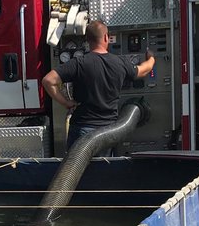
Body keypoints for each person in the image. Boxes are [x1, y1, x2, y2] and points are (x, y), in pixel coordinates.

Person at [42, 19, 154, 150]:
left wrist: (66, 102)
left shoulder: (78, 63)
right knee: (106, 169)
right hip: (108, 130)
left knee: (76, 168)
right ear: (106, 37)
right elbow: (143, 70)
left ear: (88, 40)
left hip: (82, 128)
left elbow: (48, 80)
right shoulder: (119, 62)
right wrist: (151, 58)